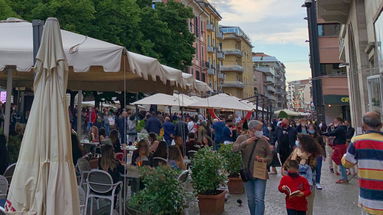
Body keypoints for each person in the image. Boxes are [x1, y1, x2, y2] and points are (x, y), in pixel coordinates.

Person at [342, 112, 383, 215]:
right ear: (381, 125)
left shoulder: (357, 141)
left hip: (369, 196)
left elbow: (347, 163)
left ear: (364, 126)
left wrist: (344, 156)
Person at [233, 120, 273, 215]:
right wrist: (245, 143)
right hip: (248, 173)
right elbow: (234, 149)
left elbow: (270, 156)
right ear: (252, 129)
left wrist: (264, 160)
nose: (261, 131)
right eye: (259, 129)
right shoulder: (242, 138)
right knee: (251, 199)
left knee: (259, 199)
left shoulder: (263, 141)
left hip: (260, 173)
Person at [282, 134, 322, 215]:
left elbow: (312, 168)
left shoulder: (313, 155)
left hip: (306, 185)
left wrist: (294, 169)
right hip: (292, 185)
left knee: (307, 209)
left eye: (299, 141)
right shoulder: (295, 151)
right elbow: (286, 165)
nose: (297, 142)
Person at [325, 117, 348, 184]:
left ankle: (343, 178)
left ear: (339, 121)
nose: (334, 122)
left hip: (340, 146)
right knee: (339, 162)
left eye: (335, 121)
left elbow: (331, 133)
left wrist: (328, 128)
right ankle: (343, 177)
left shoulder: (340, 128)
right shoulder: (342, 128)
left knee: (340, 162)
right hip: (340, 146)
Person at [307, 124, 326, 190]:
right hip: (309, 155)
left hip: (318, 155)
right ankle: (311, 181)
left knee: (318, 169)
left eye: (312, 129)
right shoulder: (306, 137)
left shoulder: (319, 137)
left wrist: (324, 154)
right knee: (310, 169)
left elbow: (322, 146)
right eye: (310, 129)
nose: (311, 130)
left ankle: (318, 182)